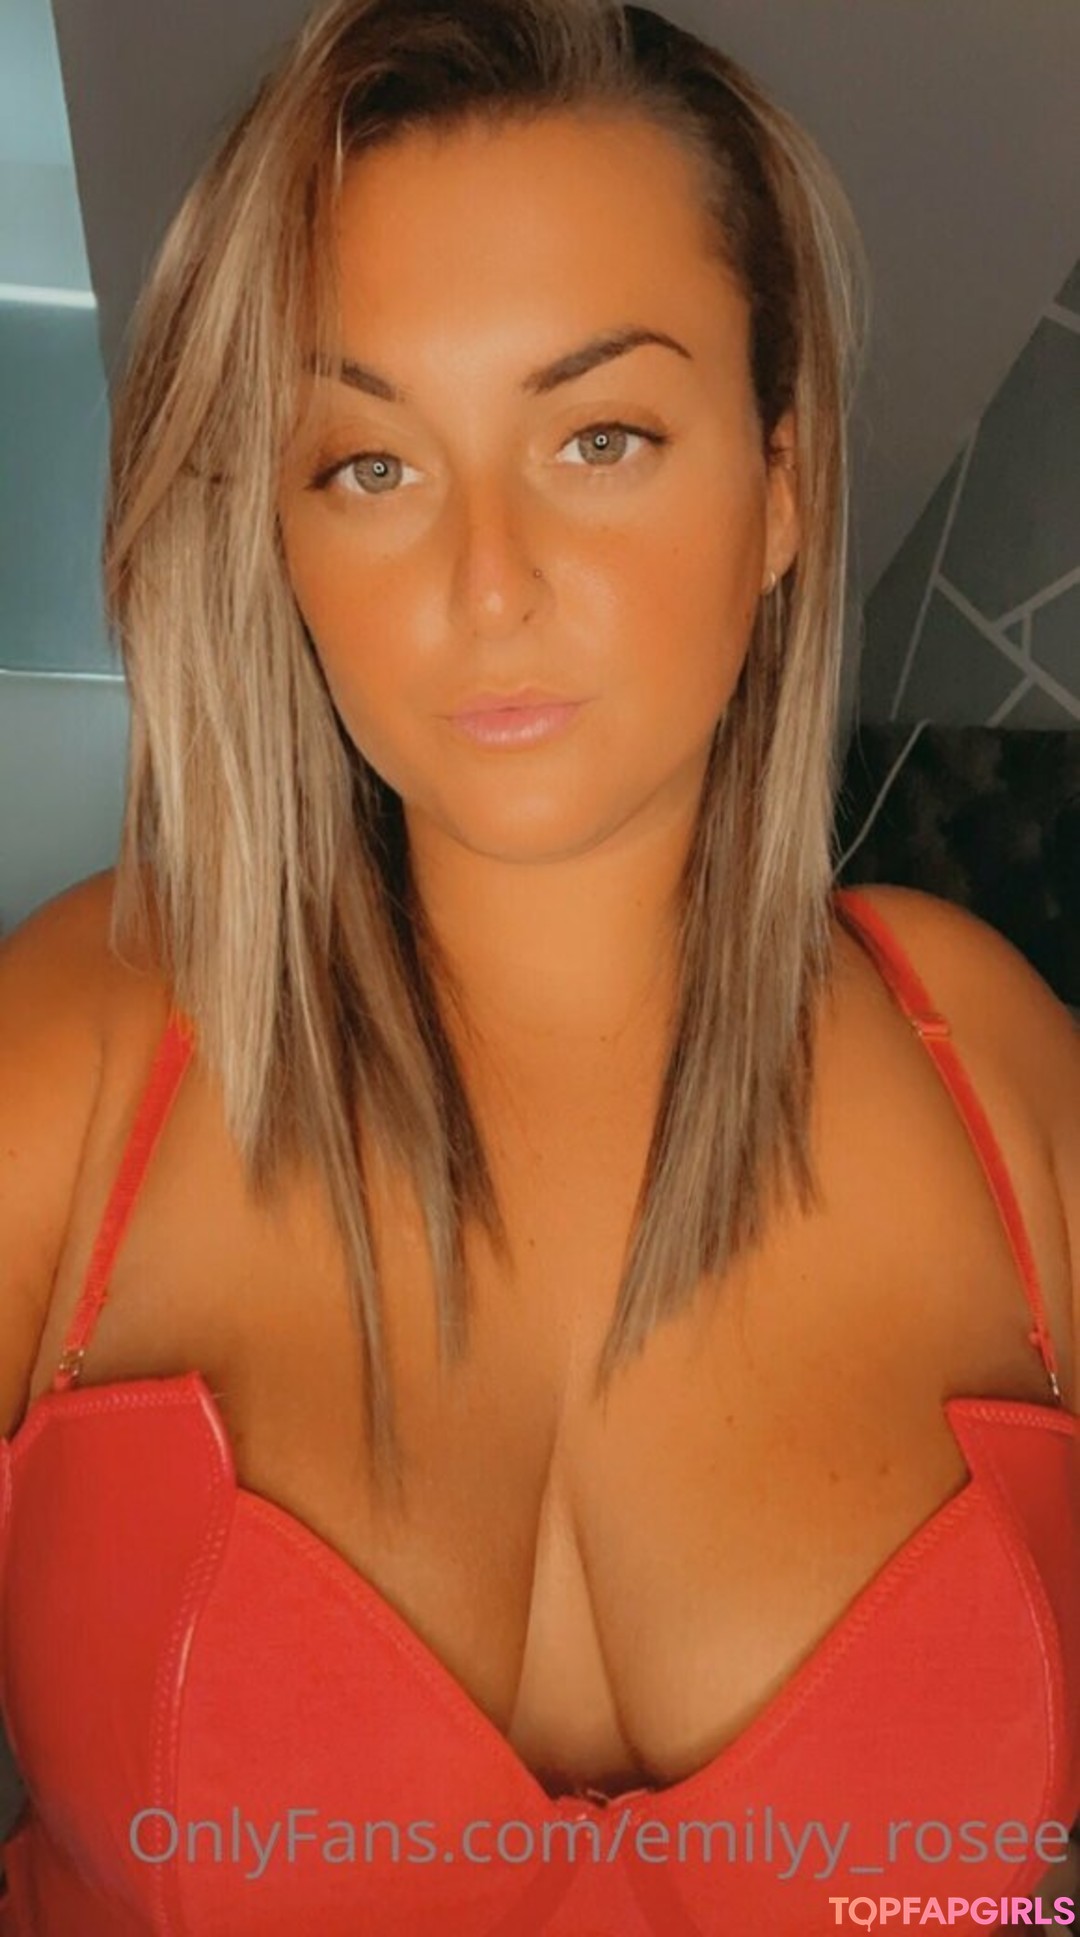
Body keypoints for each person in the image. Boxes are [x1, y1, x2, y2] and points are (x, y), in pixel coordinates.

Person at [0, 1, 1077, 1931]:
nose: (485, 581)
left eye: (600, 437)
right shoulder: (82, 1047)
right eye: (371, 465)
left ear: (783, 484)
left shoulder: (987, 1066)